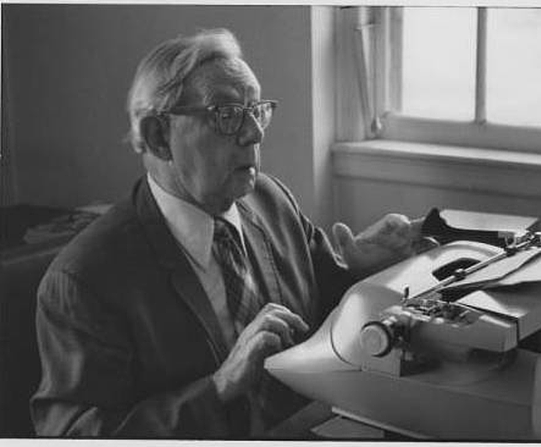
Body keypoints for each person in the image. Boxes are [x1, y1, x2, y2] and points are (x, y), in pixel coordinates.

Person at [31, 29, 422, 438]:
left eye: (257, 110)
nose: (255, 132)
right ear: (159, 137)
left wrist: (361, 269)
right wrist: (218, 388)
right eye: (226, 114)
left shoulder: (270, 199)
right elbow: (71, 435)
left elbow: (321, 304)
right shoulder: (85, 279)